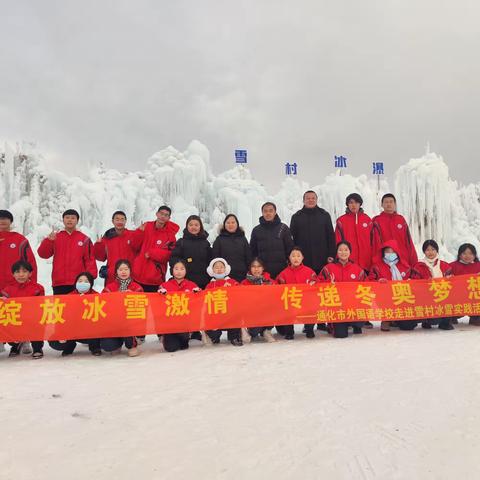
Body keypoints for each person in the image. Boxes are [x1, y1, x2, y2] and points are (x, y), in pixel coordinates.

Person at [335, 193, 374, 328]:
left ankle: (364, 317)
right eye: (350, 202)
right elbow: (338, 241)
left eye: (356, 202)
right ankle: (347, 316)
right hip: (348, 263)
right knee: (347, 292)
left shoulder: (367, 220)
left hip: (365, 262)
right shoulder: (341, 220)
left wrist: (373, 259)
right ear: (347, 204)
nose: (353, 205)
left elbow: (373, 241)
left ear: (360, 204)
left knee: (363, 292)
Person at [37, 209, 97, 295]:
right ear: (63, 220)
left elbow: (90, 259)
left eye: (73, 218)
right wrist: (49, 241)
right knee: (61, 307)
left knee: (78, 307)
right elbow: (43, 254)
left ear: (77, 221)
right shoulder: (55, 237)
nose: (70, 220)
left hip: (79, 282)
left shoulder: (84, 239)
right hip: (59, 282)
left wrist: (90, 277)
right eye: (67, 217)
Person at [318, 241, 366, 338]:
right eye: (340, 250)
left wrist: (380, 282)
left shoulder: (357, 269)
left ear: (350, 252)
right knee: (340, 335)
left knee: (360, 322)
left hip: (353, 307)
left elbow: (367, 285)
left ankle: (354, 324)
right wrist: (328, 283)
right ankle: (333, 325)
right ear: (336, 252)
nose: (343, 252)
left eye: (346, 250)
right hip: (336, 309)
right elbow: (318, 283)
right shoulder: (328, 268)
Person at [48, 272, 102, 356]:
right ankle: (69, 345)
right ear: (75, 283)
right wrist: (61, 333)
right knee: (54, 342)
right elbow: (61, 317)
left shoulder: (97, 297)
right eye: (80, 281)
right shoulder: (68, 297)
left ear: (91, 284)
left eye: (86, 281)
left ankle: (95, 347)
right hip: (73, 331)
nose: (82, 283)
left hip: (91, 332)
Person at [369, 240, 417, 331]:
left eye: (393, 251)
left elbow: (414, 278)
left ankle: (396, 320)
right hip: (385, 298)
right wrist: (378, 281)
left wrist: (411, 281)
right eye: (387, 251)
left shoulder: (405, 266)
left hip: (402, 298)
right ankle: (387, 319)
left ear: (397, 252)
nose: (390, 254)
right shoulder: (377, 266)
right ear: (383, 253)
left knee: (409, 326)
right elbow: (370, 280)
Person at [0, 260, 45, 358]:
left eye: (24, 271)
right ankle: (16, 345)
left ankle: (37, 348)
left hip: (32, 319)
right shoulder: (7, 290)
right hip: (16, 320)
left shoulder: (38, 288)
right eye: (17, 272)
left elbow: (41, 306)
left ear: (30, 273)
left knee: (37, 323)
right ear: (13, 274)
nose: (21, 275)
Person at [101, 259, 144, 357]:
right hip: (113, 322)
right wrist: (117, 296)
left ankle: (132, 345)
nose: (123, 272)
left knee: (127, 327)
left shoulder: (137, 287)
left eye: (126, 269)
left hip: (130, 322)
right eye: (120, 269)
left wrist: (132, 296)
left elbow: (142, 305)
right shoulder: (109, 287)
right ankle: (117, 343)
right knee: (107, 346)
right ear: (116, 271)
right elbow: (103, 303)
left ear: (130, 271)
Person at [133, 206, 179, 292]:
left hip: (155, 279)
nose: (163, 216)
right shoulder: (146, 226)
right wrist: (139, 232)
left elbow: (169, 255)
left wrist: (152, 253)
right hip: (137, 276)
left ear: (169, 218)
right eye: (161, 213)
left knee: (153, 305)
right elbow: (134, 246)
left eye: (166, 215)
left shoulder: (170, 235)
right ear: (157, 214)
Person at [158, 260, 201, 352]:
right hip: (170, 323)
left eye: (182, 269)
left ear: (186, 271)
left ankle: (187, 336)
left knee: (184, 345)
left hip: (185, 321)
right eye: (176, 268)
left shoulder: (191, 285)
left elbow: (200, 301)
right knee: (170, 348)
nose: (179, 271)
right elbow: (158, 304)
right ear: (172, 270)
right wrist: (160, 295)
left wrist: (197, 293)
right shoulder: (164, 286)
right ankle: (167, 337)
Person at [290, 191, 336, 274]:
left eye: (313, 198)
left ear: (317, 200)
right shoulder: (296, 217)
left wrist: (331, 254)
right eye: (308, 198)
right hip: (303, 260)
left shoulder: (324, 215)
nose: (310, 200)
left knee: (322, 285)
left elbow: (331, 236)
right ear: (303, 200)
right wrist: (294, 257)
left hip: (322, 258)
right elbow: (292, 239)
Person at [276, 247, 317, 339]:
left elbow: (317, 285)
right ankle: (289, 331)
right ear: (289, 258)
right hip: (290, 303)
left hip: (306, 303)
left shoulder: (310, 272)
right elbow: (277, 289)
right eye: (293, 256)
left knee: (313, 306)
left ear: (302, 257)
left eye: (298, 256)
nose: (296, 258)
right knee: (284, 307)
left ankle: (309, 328)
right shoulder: (283, 274)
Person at [412, 240, 454, 330]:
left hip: (442, 296)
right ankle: (427, 320)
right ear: (424, 252)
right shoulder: (418, 266)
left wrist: (450, 278)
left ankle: (445, 322)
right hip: (426, 298)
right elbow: (414, 283)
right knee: (434, 320)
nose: (430, 252)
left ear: (437, 251)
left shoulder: (444, 265)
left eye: (433, 249)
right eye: (427, 250)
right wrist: (424, 283)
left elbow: (453, 283)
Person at [94, 210, 142, 285]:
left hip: (130, 276)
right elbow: (101, 258)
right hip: (112, 276)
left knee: (129, 296)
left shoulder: (133, 235)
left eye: (122, 219)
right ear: (112, 221)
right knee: (112, 296)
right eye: (117, 219)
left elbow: (140, 250)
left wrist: (141, 233)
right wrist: (98, 245)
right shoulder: (107, 238)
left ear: (126, 221)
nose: (120, 222)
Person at [205, 258, 244, 346]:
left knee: (235, 319)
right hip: (216, 313)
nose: (219, 269)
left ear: (226, 269)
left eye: (221, 267)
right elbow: (205, 299)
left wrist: (232, 289)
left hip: (230, 312)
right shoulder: (210, 285)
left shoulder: (232, 282)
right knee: (212, 328)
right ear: (212, 270)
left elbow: (240, 291)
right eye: (216, 267)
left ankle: (234, 337)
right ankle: (215, 337)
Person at [372, 194, 418, 267]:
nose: (389, 204)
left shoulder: (401, 219)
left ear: (395, 204)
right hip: (385, 259)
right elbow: (375, 244)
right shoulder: (377, 221)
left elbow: (408, 240)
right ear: (382, 204)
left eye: (391, 202)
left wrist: (413, 260)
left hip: (403, 259)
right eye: (386, 202)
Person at [250, 202, 294, 279]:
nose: (268, 213)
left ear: (275, 212)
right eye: (265, 211)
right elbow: (253, 252)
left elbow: (290, 249)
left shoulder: (283, 228)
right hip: (263, 272)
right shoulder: (256, 230)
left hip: (282, 271)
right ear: (262, 213)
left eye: (271, 211)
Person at [170, 215, 212, 289]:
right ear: (187, 226)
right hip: (185, 282)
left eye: (196, 225)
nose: (193, 227)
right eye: (191, 225)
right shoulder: (181, 242)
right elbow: (174, 259)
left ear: (200, 227)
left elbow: (210, 260)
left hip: (204, 282)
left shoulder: (205, 243)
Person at [0, 209, 38, 291]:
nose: (2, 221)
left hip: (15, 287)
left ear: (11, 221)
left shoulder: (19, 239)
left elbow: (30, 263)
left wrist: (32, 284)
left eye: (5, 218)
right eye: (0, 219)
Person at [240, 257, 276, 342]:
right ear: (250, 268)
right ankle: (252, 331)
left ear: (263, 268)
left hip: (267, 311)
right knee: (254, 333)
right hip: (252, 313)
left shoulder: (270, 282)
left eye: (259, 266)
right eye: (253, 266)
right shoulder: (244, 283)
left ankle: (267, 331)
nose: (256, 269)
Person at [212, 214, 251, 283]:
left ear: (237, 224)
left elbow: (248, 257)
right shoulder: (219, 240)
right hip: (225, 276)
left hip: (242, 275)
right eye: (228, 223)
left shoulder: (242, 239)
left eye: (233, 222)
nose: (230, 225)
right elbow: (215, 259)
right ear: (224, 225)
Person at [449, 243, 480, 326]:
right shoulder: (452, 266)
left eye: (470, 253)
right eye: (464, 253)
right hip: (457, 298)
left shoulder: (478, 265)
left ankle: (475, 317)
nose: (467, 256)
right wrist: (449, 277)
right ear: (459, 255)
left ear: (474, 255)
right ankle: (452, 316)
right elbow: (444, 279)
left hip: (474, 297)